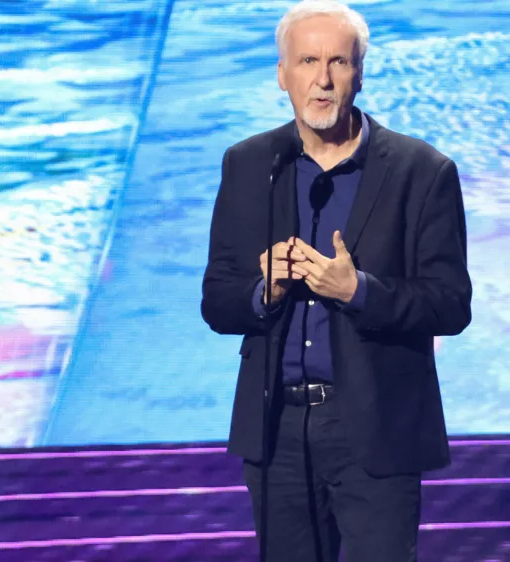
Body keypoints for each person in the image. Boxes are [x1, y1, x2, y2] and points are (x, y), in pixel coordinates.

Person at [200, 1, 471, 560]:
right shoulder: (249, 164)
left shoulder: (423, 171)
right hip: (276, 431)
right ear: (282, 74)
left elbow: (450, 303)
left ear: (360, 73)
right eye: (306, 61)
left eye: (337, 62)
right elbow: (217, 299)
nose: (322, 80)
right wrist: (264, 292)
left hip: (375, 431)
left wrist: (359, 291)